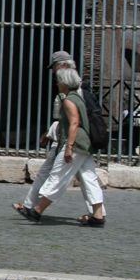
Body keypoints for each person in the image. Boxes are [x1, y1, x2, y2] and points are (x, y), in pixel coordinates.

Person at [13, 51, 105, 226]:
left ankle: (36, 210)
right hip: (81, 142)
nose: (55, 78)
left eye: (56, 73)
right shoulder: (76, 95)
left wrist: (68, 146)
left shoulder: (71, 98)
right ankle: (98, 215)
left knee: (57, 175)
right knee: (88, 176)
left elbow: (74, 122)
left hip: (74, 142)